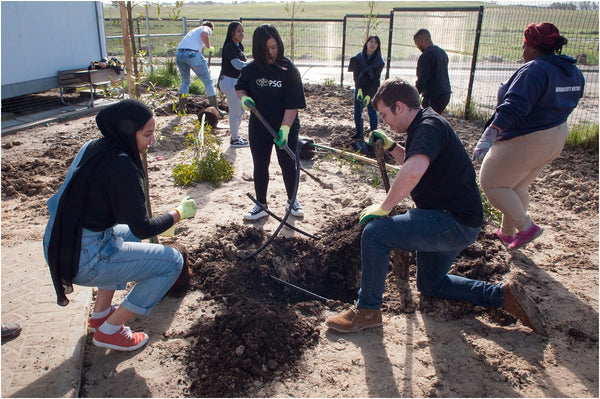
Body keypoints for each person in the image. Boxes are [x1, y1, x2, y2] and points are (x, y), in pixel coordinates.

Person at [325, 78, 545, 334]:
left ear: (399, 106)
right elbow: (417, 158)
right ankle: (503, 297)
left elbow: (413, 171)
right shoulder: (426, 123)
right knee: (431, 284)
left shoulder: (428, 126)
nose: (384, 121)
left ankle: (367, 310)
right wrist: (391, 146)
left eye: (384, 114)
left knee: (374, 234)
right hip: (455, 219)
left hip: (452, 222)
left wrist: (384, 207)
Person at [43, 99, 198, 351]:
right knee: (172, 262)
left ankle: (100, 315)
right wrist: (179, 213)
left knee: (125, 236)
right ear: (128, 132)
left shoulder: (93, 148)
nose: (153, 140)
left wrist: (162, 223)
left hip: (59, 238)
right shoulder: (122, 166)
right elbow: (143, 228)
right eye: (147, 134)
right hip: (83, 258)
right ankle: (110, 330)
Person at [473, 22, 584, 251]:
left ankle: (526, 227)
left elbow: (514, 106)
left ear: (532, 48)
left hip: (526, 138)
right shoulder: (570, 70)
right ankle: (507, 233)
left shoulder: (535, 69)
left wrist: (489, 134)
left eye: (524, 46)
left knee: (491, 182)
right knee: (517, 186)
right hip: (556, 135)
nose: (522, 51)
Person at [235, 24, 306, 221]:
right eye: (265, 49)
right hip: (259, 125)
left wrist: (284, 129)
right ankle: (261, 205)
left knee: (287, 163)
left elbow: (293, 104)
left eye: (274, 47)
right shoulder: (250, 69)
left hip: (286, 126)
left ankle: (292, 201)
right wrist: (243, 99)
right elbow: (240, 87)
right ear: (257, 49)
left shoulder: (288, 69)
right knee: (260, 164)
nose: (271, 53)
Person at [175, 20, 225, 116]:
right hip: (192, 54)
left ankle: (181, 109)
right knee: (208, 81)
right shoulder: (206, 28)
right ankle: (215, 109)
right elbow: (204, 34)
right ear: (211, 28)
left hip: (179, 54)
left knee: (185, 81)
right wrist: (208, 46)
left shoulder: (193, 31)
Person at [348, 35, 385, 153]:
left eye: (375, 43)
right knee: (357, 110)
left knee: (371, 110)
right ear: (367, 43)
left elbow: (376, 80)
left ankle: (373, 134)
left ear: (378, 46)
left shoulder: (379, 61)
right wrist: (358, 89)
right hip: (360, 87)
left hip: (372, 89)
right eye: (371, 41)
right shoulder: (358, 58)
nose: (373, 44)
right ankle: (359, 132)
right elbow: (356, 75)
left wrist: (369, 95)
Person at [218, 21, 249, 148]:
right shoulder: (230, 47)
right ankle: (234, 139)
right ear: (232, 33)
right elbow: (237, 64)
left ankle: (236, 135)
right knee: (235, 111)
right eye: (238, 31)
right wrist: (253, 65)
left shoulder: (238, 46)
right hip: (229, 81)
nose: (241, 33)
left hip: (235, 81)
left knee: (240, 110)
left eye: (242, 31)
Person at [413, 29, 451, 114]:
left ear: (421, 41)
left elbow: (422, 78)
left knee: (428, 119)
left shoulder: (426, 56)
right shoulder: (442, 52)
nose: (418, 47)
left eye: (417, 44)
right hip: (445, 93)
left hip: (433, 95)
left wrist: (414, 94)